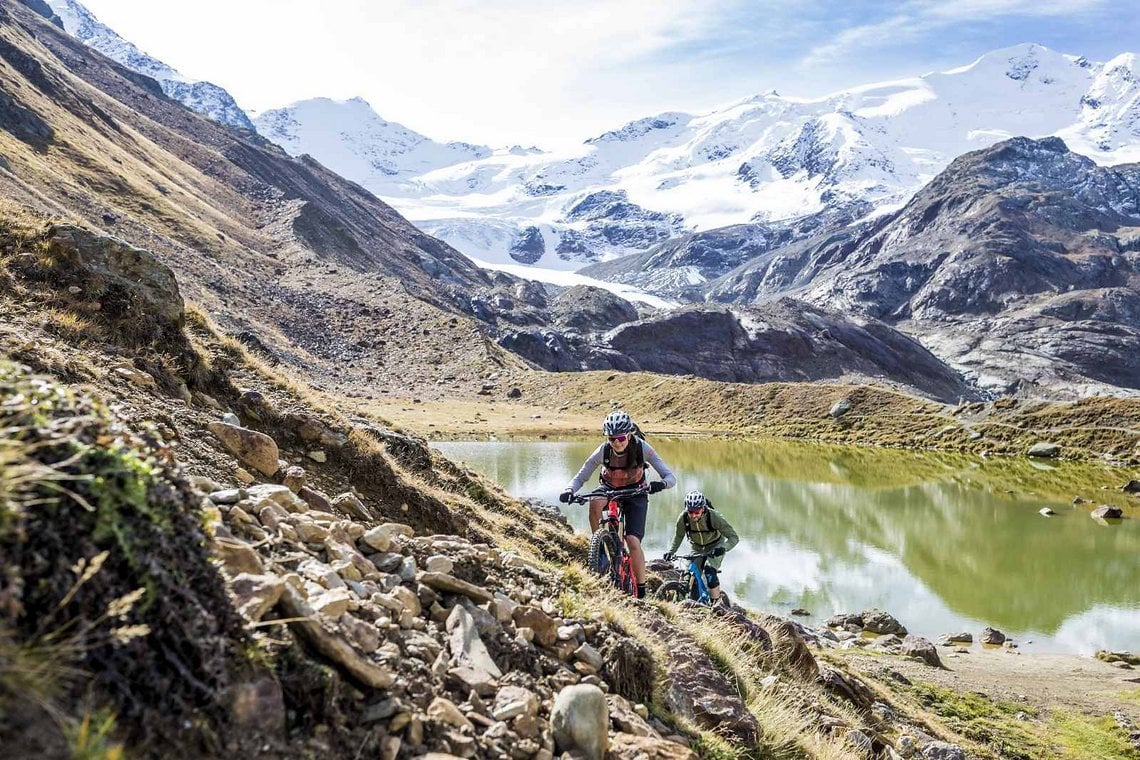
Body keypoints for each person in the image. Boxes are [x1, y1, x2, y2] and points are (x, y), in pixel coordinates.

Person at [559, 410, 676, 599]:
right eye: (612, 439)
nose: (617, 442)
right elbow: (581, 476)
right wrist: (569, 490)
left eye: (621, 438)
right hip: (608, 488)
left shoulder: (642, 448)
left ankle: (642, 589)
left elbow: (670, 477)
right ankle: (600, 550)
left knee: (632, 540)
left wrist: (661, 484)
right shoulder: (603, 450)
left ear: (629, 434)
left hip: (635, 492)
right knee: (595, 504)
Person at [663, 490, 739, 602]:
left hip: (715, 546)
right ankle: (679, 603)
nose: (693, 515)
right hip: (696, 547)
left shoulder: (714, 517)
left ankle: (716, 606)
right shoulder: (683, 518)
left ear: (703, 508)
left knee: (710, 573)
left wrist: (723, 548)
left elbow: (734, 537)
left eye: (697, 512)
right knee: (687, 575)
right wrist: (671, 552)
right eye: (690, 512)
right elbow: (679, 536)